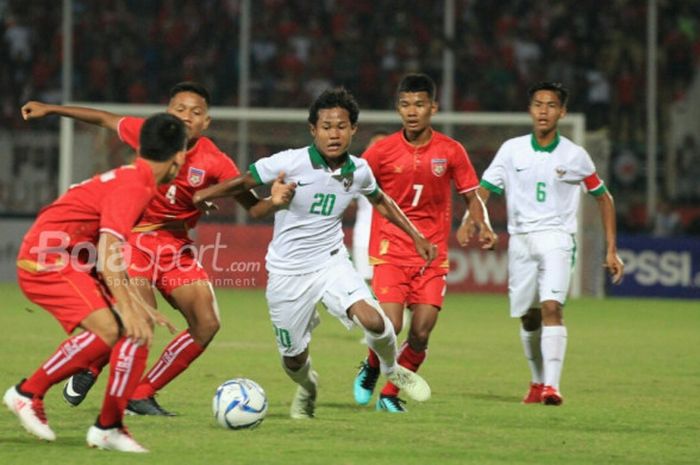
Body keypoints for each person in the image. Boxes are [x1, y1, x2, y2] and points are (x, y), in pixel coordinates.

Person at [20, 82, 291, 416]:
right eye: (180, 109)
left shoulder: (216, 162)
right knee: (138, 318)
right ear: (168, 112)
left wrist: (274, 202)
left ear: (206, 122)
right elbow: (105, 119)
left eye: (196, 112)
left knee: (207, 323)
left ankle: (140, 394)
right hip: (134, 239)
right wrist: (52, 109)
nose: (187, 117)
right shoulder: (152, 135)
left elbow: (254, 209)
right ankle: (91, 371)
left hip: (175, 247)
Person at [192, 88, 434, 419]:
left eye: (341, 126)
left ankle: (392, 370)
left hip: (331, 261)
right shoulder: (289, 163)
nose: (334, 133)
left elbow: (380, 200)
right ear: (313, 130)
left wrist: (415, 235)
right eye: (326, 126)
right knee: (293, 358)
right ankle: (308, 386)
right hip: (287, 272)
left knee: (375, 321)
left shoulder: (359, 170)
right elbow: (243, 181)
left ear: (353, 130)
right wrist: (203, 194)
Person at [4, 113, 186, 452]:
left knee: (138, 327)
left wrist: (138, 305)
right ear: (179, 155)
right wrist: (128, 305)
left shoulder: (137, 179)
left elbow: (106, 252)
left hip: (71, 258)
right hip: (48, 258)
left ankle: (109, 426)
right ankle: (27, 393)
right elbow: (108, 248)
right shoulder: (136, 185)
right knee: (111, 329)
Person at [460, 81, 624, 406]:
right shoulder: (511, 150)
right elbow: (483, 190)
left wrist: (610, 248)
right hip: (521, 241)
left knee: (552, 308)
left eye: (551, 105)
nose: (544, 111)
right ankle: (537, 382)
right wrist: (474, 222)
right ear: (530, 109)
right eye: (538, 104)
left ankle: (552, 386)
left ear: (562, 112)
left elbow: (604, 198)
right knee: (529, 317)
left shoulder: (575, 155)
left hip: (557, 239)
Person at [352, 73, 497, 413]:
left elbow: (471, 195)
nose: (412, 111)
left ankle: (389, 394)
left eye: (419, 104)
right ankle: (372, 366)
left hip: (432, 255)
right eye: (405, 105)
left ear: (434, 107)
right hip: (391, 250)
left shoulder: (450, 151)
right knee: (391, 326)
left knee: (420, 332)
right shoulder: (381, 151)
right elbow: (351, 178)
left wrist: (483, 224)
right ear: (397, 108)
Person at [352, 130, 389, 281]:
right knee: (365, 280)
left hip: (392, 237)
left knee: (388, 281)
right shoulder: (357, 172)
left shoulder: (400, 173)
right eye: (376, 144)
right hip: (364, 235)